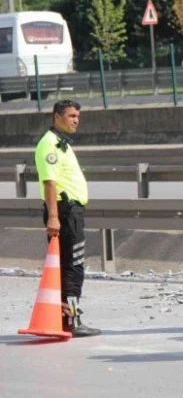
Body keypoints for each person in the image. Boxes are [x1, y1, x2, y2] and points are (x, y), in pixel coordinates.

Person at [35, 100, 100, 338]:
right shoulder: (50, 144)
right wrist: (53, 217)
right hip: (65, 211)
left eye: (78, 117)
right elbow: (49, 183)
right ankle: (72, 320)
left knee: (70, 266)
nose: (76, 120)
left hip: (70, 211)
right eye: (71, 116)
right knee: (73, 267)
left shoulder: (61, 143)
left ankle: (66, 317)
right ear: (57, 117)